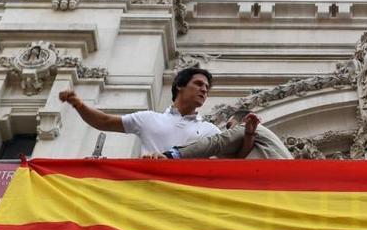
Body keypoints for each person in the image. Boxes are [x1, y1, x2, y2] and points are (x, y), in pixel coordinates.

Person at [59, 67, 220, 156]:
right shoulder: (149, 119)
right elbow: (104, 122)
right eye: (199, 84)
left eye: (207, 87)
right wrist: (79, 105)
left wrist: (246, 135)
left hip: (188, 197)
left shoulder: (210, 130)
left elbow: (236, 157)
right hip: (149, 191)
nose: (204, 90)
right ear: (180, 86)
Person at [163, 109, 293, 160]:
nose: (227, 131)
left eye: (230, 126)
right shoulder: (258, 140)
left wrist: (174, 154)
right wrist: (249, 137)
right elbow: (238, 158)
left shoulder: (253, 127)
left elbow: (219, 142)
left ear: (244, 121)